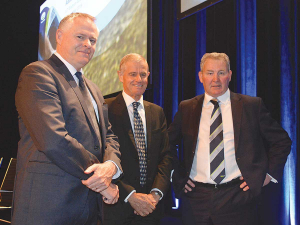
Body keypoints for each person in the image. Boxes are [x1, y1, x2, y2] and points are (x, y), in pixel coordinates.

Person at [12, 13, 122, 225]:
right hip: (48, 209)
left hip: (89, 210)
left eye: (93, 40)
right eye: (80, 36)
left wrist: (111, 166)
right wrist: (103, 182)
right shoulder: (38, 74)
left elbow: (108, 135)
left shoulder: (94, 89)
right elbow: (53, 139)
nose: (87, 44)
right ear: (59, 36)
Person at [168, 52, 292, 225]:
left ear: (230, 75)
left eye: (221, 72)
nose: (215, 79)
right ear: (201, 76)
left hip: (238, 198)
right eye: (210, 73)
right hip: (195, 199)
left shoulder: (251, 106)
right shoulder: (187, 107)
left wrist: (268, 174)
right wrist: (177, 175)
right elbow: (166, 144)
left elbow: (282, 141)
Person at [103, 53, 173, 225]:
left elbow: (167, 156)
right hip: (117, 207)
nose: (138, 79)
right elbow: (101, 155)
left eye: (143, 74)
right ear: (120, 75)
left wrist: (155, 195)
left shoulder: (157, 112)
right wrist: (130, 195)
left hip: (151, 208)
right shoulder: (105, 108)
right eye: (132, 74)